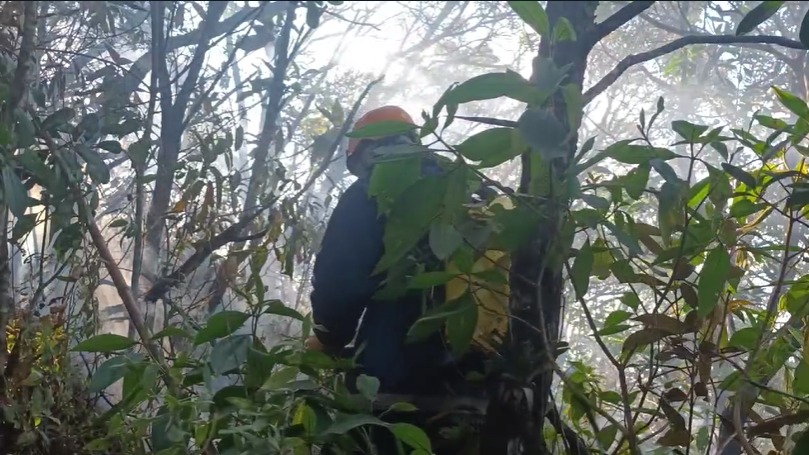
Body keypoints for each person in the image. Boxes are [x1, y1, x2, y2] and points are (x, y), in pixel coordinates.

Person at [306, 106, 480, 454]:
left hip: (394, 388)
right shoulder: (472, 190)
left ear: (366, 151)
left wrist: (328, 337)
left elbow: (341, 283)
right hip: (476, 397)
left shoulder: (372, 193)